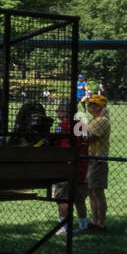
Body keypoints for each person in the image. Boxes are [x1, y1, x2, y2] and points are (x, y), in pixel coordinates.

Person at [52, 97, 89, 235]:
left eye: (59, 110)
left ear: (65, 111)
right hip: (82, 167)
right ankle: (83, 225)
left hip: (65, 168)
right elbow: (83, 143)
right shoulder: (81, 126)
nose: (57, 113)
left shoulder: (62, 127)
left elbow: (57, 146)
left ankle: (63, 227)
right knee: (79, 199)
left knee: (62, 198)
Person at [82, 94, 110, 232]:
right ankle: (94, 222)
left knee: (97, 192)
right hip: (90, 159)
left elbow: (90, 138)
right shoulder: (94, 120)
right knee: (91, 192)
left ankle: (101, 224)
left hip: (98, 160)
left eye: (92, 104)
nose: (89, 106)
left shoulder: (102, 121)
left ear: (100, 106)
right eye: (89, 104)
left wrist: (80, 134)